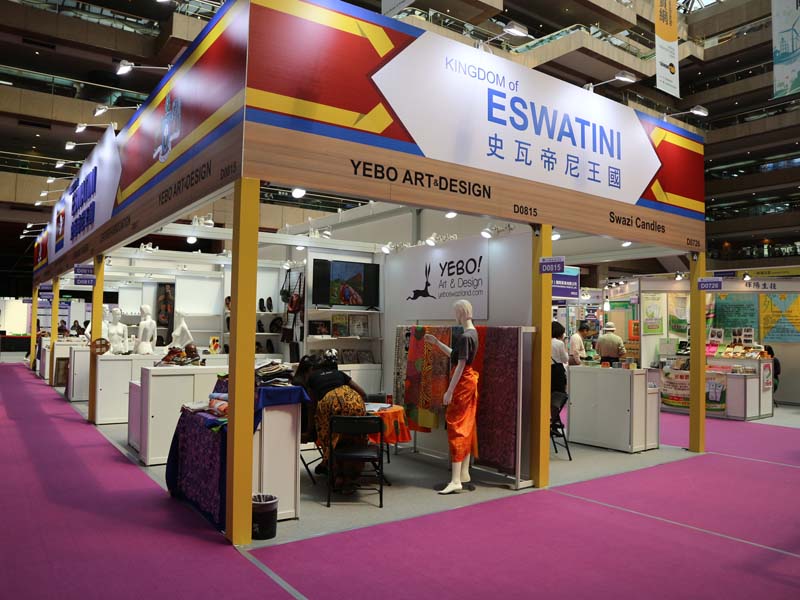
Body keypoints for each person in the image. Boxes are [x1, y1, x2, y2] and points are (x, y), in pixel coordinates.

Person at [425, 299, 479, 495]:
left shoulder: (465, 336)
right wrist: (437, 343)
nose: (454, 316)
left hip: (462, 384)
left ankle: (456, 480)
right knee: (467, 425)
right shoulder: (473, 333)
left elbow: (460, 366)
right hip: (468, 382)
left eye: (456, 312)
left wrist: (449, 390)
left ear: (461, 313)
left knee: (457, 427)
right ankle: (463, 472)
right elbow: (456, 357)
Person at [295, 351, 368, 492]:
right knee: (352, 437)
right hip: (354, 400)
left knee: (329, 437)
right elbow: (362, 393)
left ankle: (335, 473)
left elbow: (311, 406)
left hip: (330, 404)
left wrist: (310, 430)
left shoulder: (312, 378)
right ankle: (349, 475)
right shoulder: (340, 374)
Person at [551, 321, 569, 430]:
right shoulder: (559, 343)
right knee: (558, 396)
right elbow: (565, 359)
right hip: (557, 372)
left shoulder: (544, 340)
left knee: (549, 395)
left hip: (546, 370)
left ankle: (552, 421)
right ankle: (554, 421)